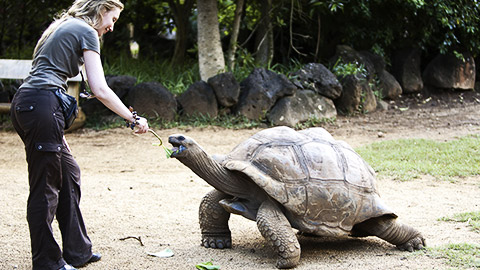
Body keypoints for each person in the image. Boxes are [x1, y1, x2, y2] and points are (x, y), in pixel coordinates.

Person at [9, 1, 148, 269]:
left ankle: (77, 251)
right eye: (113, 18)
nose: (111, 26)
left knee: (69, 175)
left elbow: (84, 78)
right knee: (45, 187)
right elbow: (100, 88)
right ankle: (48, 262)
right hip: (42, 105)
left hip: (32, 104)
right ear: (100, 10)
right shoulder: (85, 30)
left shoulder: (61, 26)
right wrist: (133, 118)